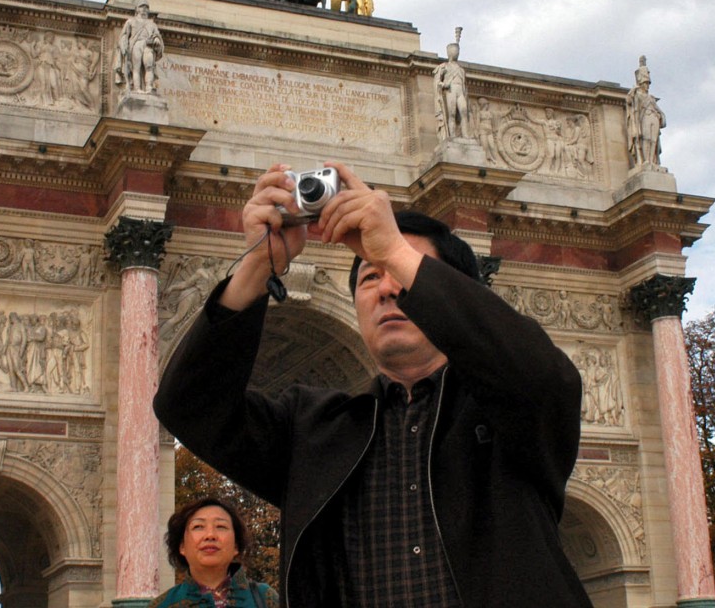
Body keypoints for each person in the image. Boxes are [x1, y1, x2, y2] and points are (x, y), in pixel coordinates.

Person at [154, 162, 592, 607]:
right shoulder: (310, 431)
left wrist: (392, 249)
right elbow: (188, 407)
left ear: (451, 291)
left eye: (402, 270)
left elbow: (544, 375)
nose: (387, 288)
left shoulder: (514, 410)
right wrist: (257, 268)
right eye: (369, 276)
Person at [149, 497, 279, 608]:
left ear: (236, 546)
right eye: (198, 527)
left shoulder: (265, 598)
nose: (210, 535)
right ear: (182, 546)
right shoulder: (163, 604)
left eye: (221, 526)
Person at [115, 0, 165, 94]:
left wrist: (157, 40)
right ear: (137, 9)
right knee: (136, 68)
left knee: (149, 66)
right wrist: (124, 45)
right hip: (136, 45)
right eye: (142, 6)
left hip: (148, 45)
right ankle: (137, 88)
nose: (144, 9)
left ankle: (149, 87)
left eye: (146, 7)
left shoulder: (152, 24)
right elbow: (124, 35)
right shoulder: (130, 21)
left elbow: (156, 35)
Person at [434, 29, 468, 140]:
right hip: (451, 90)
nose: (456, 53)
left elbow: (464, 86)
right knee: (452, 114)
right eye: (454, 51)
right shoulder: (444, 66)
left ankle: (465, 135)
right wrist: (443, 84)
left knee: (464, 112)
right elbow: (437, 81)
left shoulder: (461, 69)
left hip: (460, 91)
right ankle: (452, 136)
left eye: (457, 51)